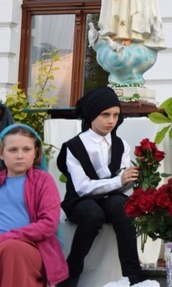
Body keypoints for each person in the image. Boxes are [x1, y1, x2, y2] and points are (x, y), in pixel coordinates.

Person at [56, 87, 143, 286]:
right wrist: (118, 181)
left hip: (110, 198)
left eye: (115, 115)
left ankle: (134, 276)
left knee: (123, 208)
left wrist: (133, 179)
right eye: (105, 115)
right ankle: (71, 274)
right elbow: (82, 187)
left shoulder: (121, 145)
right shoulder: (73, 147)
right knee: (93, 214)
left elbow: (122, 182)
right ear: (92, 114)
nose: (111, 121)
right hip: (80, 200)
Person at [0, 124, 69, 286]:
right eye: (13, 150)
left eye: (26, 149)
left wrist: (8, 237)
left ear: (36, 153)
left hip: (31, 247)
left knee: (13, 249)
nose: (20, 155)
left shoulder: (43, 181)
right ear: (1, 153)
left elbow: (48, 224)